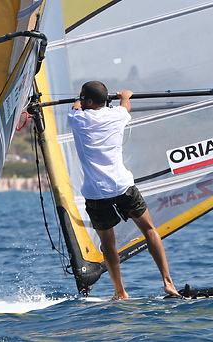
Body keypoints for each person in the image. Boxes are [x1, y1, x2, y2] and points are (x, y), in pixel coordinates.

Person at [67, 81, 180, 300]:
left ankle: (120, 291)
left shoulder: (79, 119)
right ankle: (168, 282)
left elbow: (75, 108)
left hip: (96, 194)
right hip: (123, 187)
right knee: (150, 230)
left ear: (88, 101)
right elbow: (125, 106)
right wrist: (124, 95)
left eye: (83, 97)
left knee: (108, 245)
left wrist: (79, 100)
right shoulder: (117, 114)